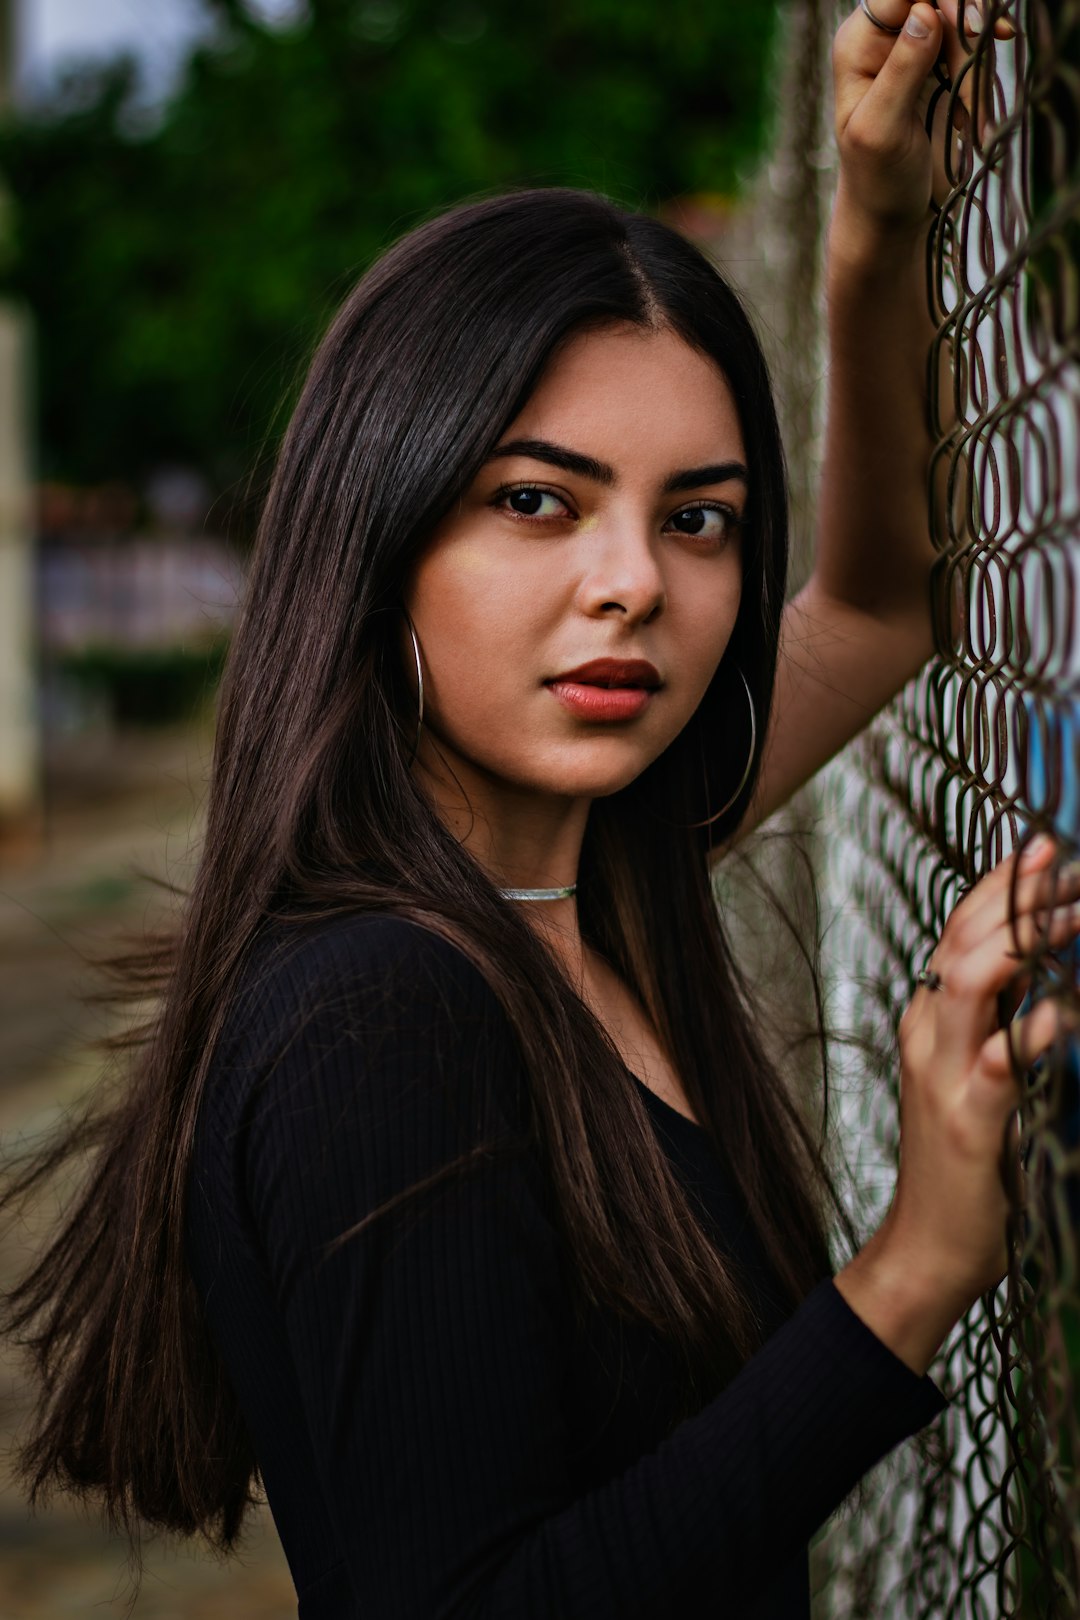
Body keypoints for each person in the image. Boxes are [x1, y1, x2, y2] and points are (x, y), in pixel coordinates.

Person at [4, 2, 1070, 1617]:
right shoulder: (378, 1012)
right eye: (535, 503)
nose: (633, 583)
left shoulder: (593, 872)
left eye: (698, 520)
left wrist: (880, 221)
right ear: (382, 523)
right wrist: (910, 1275)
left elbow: (875, 603)